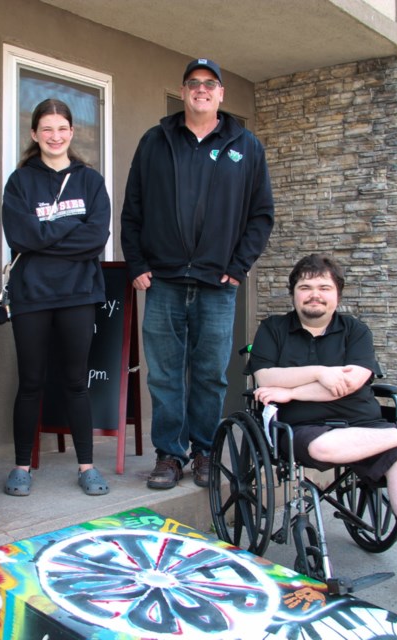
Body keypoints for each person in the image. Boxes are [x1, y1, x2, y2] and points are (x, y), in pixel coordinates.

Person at [248, 254, 397, 588]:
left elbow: (353, 383)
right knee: (325, 446)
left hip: (364, 424)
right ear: (294, 293)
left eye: (324, 287)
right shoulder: (273, 329)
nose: (315, 294)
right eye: (305, 287)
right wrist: (320, 373)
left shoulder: (355, 330)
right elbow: (265, 375)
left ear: (337, 294)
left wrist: (290, 390)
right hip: (300, 428)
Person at [121, 58, 275, 490]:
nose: (201, 90)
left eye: (210, 84)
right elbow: (132, 209)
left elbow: (261, 215)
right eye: (194, 84)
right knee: (165, 374)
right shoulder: (156, 140)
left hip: (216, 284)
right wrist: (138, 264)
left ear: (221, 94)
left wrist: (237, 266)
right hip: (164, 281)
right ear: (184, 91)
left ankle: (205, 450)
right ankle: (170, 455)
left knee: (210, 373)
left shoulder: (246, 146)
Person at [1, 98, 111, 498]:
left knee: (75, 381)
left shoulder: (90, 181)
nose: (54, 136)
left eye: (61, 128)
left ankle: (86, 465)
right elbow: (19, 236)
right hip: (31, 294)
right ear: (34, 134)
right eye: (46, 129)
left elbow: (96, 237)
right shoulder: (20, 182)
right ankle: (20, 466)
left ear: (71, 132)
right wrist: (67, 233)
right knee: (30, 381)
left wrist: (43, 239)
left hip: (78, 293)